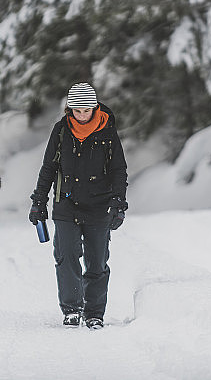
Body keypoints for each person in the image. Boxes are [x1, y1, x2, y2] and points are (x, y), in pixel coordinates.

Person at [29, 82, 128, 329]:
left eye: (87, 110)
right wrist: (38, 202)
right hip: (66, 205)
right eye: (77, 110)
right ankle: (72, 309)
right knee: (67, 256)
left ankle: (94, 313)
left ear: (94, 108)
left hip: (99, 205)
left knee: (97, 262)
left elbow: (118, 170)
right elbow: (48, 168)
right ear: (69, 109)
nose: (82, 115)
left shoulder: (107, 131)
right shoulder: (61, 131)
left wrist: (118, 202)